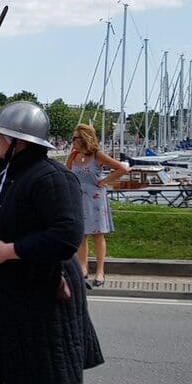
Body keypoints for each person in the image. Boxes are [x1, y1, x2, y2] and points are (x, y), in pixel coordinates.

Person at [0, 102, 104, 384]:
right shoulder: (6, 174)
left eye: (2, 138)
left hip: (41, 293)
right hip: (5, 295)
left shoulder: (52, 178)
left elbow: (65, 235)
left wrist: (10, 250)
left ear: (20, 142)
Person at [67, 123, 125, 287]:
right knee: (81, 235)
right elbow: (67, 174)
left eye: (75, 138)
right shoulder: (73, 156)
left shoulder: (97, 155)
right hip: (78, 198)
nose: (72, 141)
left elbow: (121, 169)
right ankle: (83, 268)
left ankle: (100, 271)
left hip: (95, 199)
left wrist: (105, 181)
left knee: (97, 235)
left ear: (84, 138)